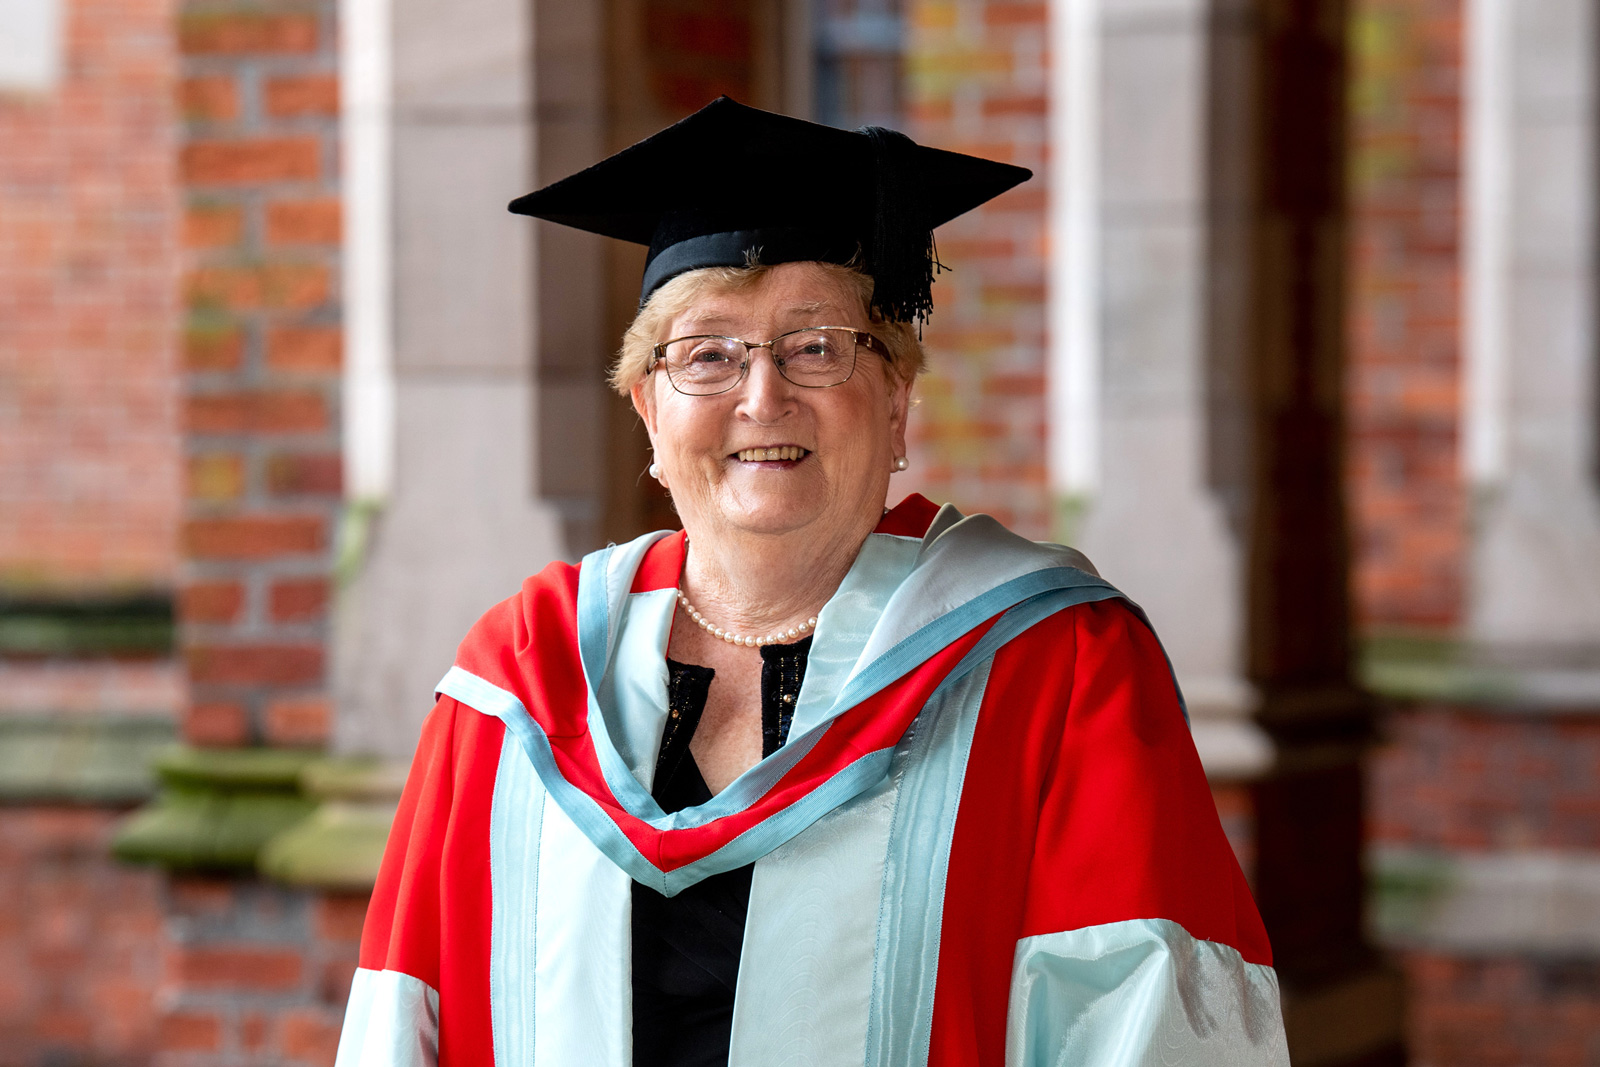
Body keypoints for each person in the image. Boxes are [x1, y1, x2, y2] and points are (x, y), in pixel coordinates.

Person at [335, 97, 1289, 1067]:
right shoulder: (520, 681)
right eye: (707, 354)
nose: (762, 396)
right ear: (650, 411)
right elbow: (409, 1015)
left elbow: (1145, 1027)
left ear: (896, 401)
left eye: (817, 346)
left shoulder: (1056, 666)